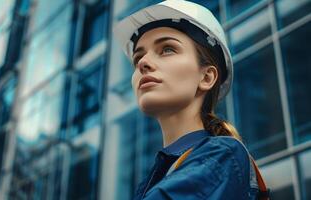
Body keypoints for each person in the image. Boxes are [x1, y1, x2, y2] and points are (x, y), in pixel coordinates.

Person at [113, 0, 270, 199]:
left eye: (167, 49)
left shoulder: (222, 155)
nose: (142, 63)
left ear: (206, 77)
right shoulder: (159, 174)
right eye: (137, 59)